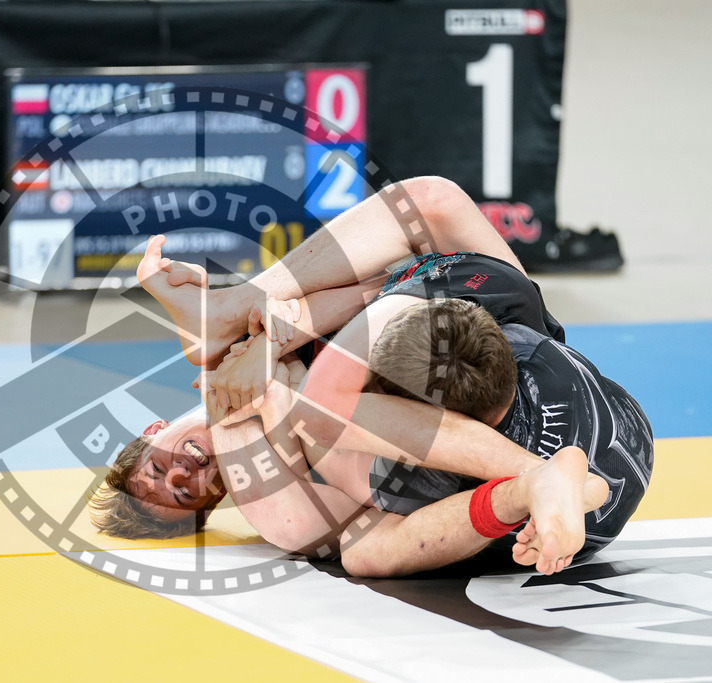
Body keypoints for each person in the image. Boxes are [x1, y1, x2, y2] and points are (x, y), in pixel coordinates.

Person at [90, 176, 650, 575]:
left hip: (524, 386)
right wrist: (260, 345)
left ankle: (235, 309)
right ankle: (537, 478)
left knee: (428, 208)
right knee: (317, 496)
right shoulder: (267, 493)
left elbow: (390, 281)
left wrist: (264, 340)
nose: (184, 471)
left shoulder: (276, 426)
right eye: (188, 493)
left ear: (152, 429)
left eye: (159, 468)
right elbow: (389, 287)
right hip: (541, 412)